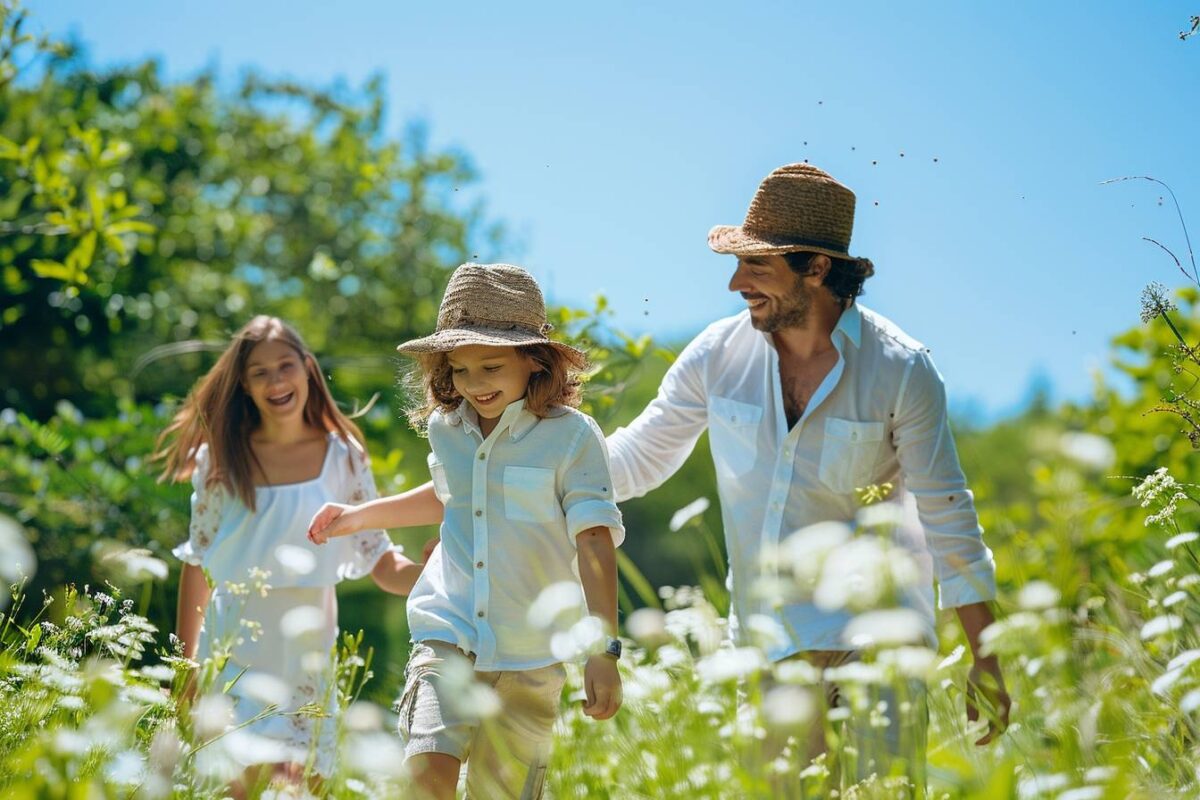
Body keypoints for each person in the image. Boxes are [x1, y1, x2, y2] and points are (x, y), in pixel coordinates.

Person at [606, 164, 1011, 775]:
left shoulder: (901, 369)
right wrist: (521, 463)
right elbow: (635, 460)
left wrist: (986, 656)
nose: (736, 282)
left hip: (880, 638)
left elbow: (946, 513)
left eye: (757, 266)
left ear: (817, 269)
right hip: (770, 647)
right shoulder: (716, 356)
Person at [307, 263, 625, 800]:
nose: (474, 385)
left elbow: (593, 538)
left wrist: (603, 650)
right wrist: (359, 516)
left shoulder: (571, 437)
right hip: (448, 630)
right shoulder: (446, 429)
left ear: (533, 360)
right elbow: (450, 495)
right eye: (459, 370)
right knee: (426, 773)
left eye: (491, 366)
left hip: (532, 652)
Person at [154, 315, 422, 794]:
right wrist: (186, 667)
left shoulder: (344, 456)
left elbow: (378, 557)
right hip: (234, 645)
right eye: (260, 372)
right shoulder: (220, 459)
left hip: (305, 654)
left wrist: (433, 573)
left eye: (285, 366)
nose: (276, 381)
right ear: (244, 385)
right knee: (239, 784)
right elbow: (196, 561)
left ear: (308, 369)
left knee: (302, 786)